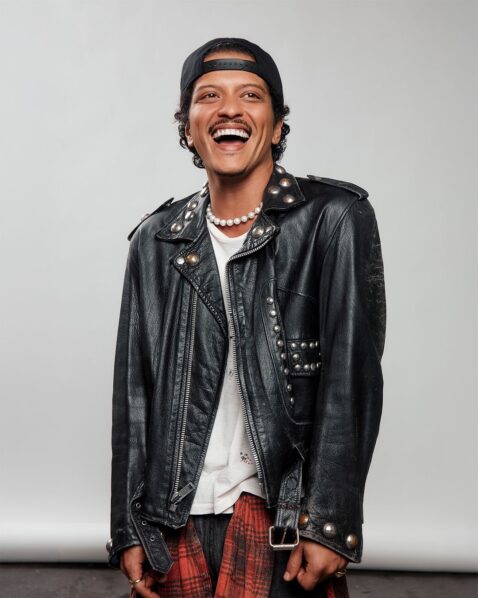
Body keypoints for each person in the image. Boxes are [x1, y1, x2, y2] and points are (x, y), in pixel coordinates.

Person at [107, 37, 386, 598]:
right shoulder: (155, 241)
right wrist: (128, 527)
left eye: (251, 95)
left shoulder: (334, 220)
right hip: (172, 523)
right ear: (188, 127)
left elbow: (350, 382)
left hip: (281, 522)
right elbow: (134, 395)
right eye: (208, 96)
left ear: (277, 126)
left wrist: (330, 522)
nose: (229, 109)